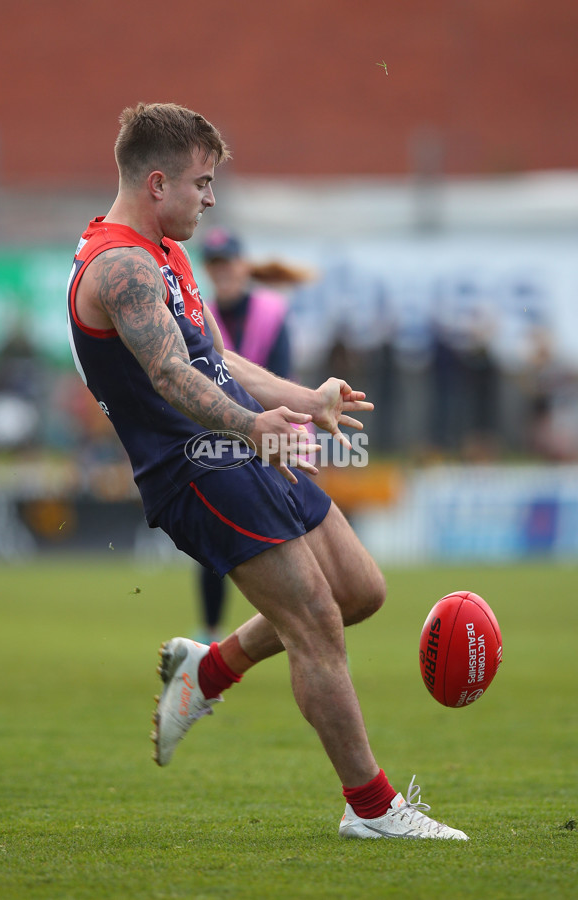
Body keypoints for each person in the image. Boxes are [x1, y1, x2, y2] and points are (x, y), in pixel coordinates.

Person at [66, 101, 468, 841]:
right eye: (202, 183)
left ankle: (209, 669)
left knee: (359, 591)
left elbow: (222, 362)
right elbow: (170, 374)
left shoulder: (163, 250)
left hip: (242, 450)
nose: (210, 198)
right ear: (158, 182)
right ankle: (371, 809)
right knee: (316, 622)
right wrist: (253, 425)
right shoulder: (119, 266)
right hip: (197, 471)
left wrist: (304, 398)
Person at [194, 226, 306, 642]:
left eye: (229, 262)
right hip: (220, 435)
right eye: (216, 264)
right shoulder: (198, 311)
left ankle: (316, 633)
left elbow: (281, 376)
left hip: (277, 431)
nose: (223, 270)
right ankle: (209, 634)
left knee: (298, 541)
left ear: (243, 265)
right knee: (210, 540)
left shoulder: (270, 312)